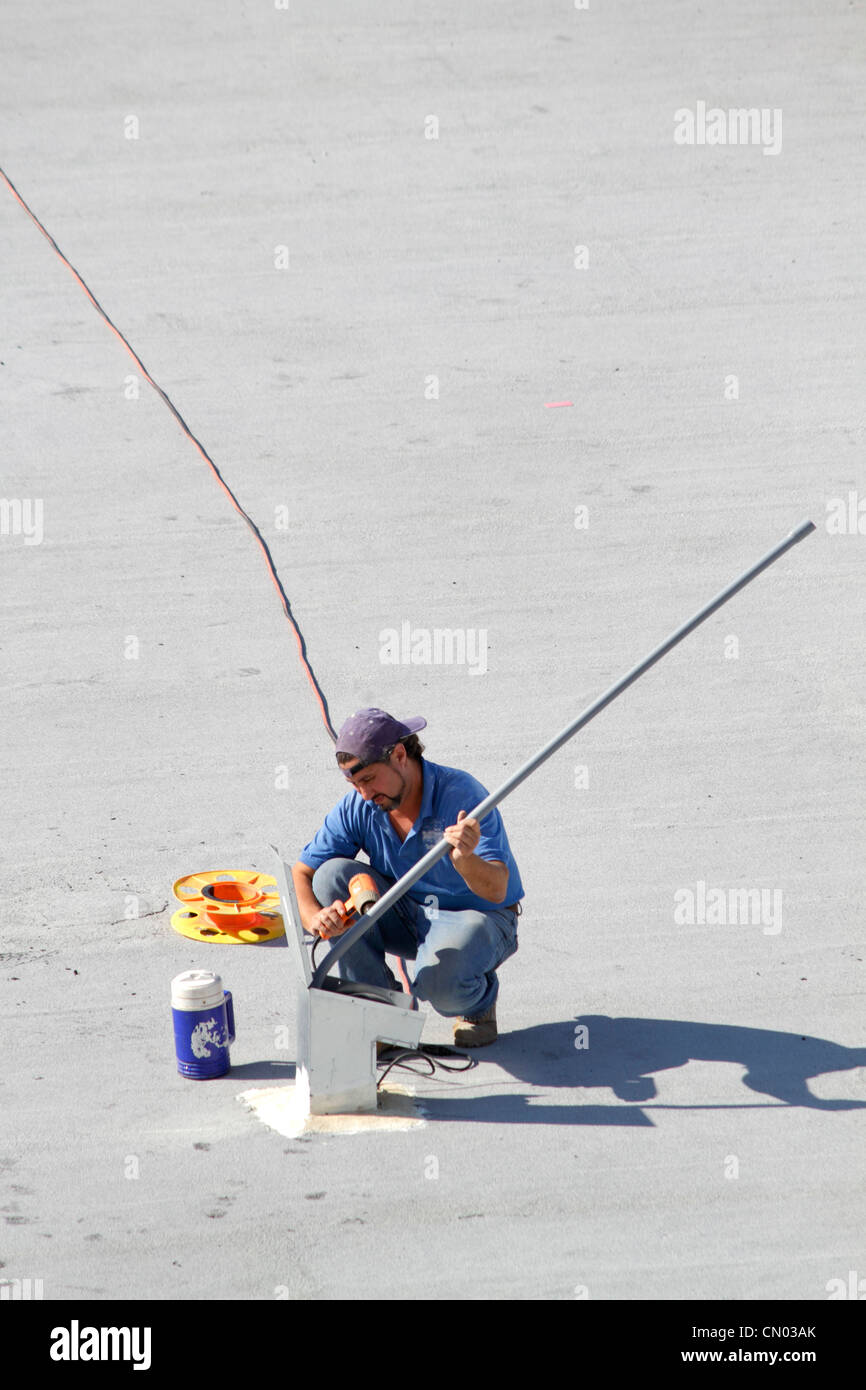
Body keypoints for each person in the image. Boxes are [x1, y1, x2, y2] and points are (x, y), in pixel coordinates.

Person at [291, 708, 524, 1046]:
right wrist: (315, 919)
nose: (364, 794)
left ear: (400, 755)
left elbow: (497, 889)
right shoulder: (361, 805)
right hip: (406, 912)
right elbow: (303, 872)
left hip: (476, 917)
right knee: (331, 877)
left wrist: (465, 860)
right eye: (354, 784)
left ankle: (477, 1004)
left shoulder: (462, 795)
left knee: (438, 982)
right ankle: (378, 1010)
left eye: (368, 779)